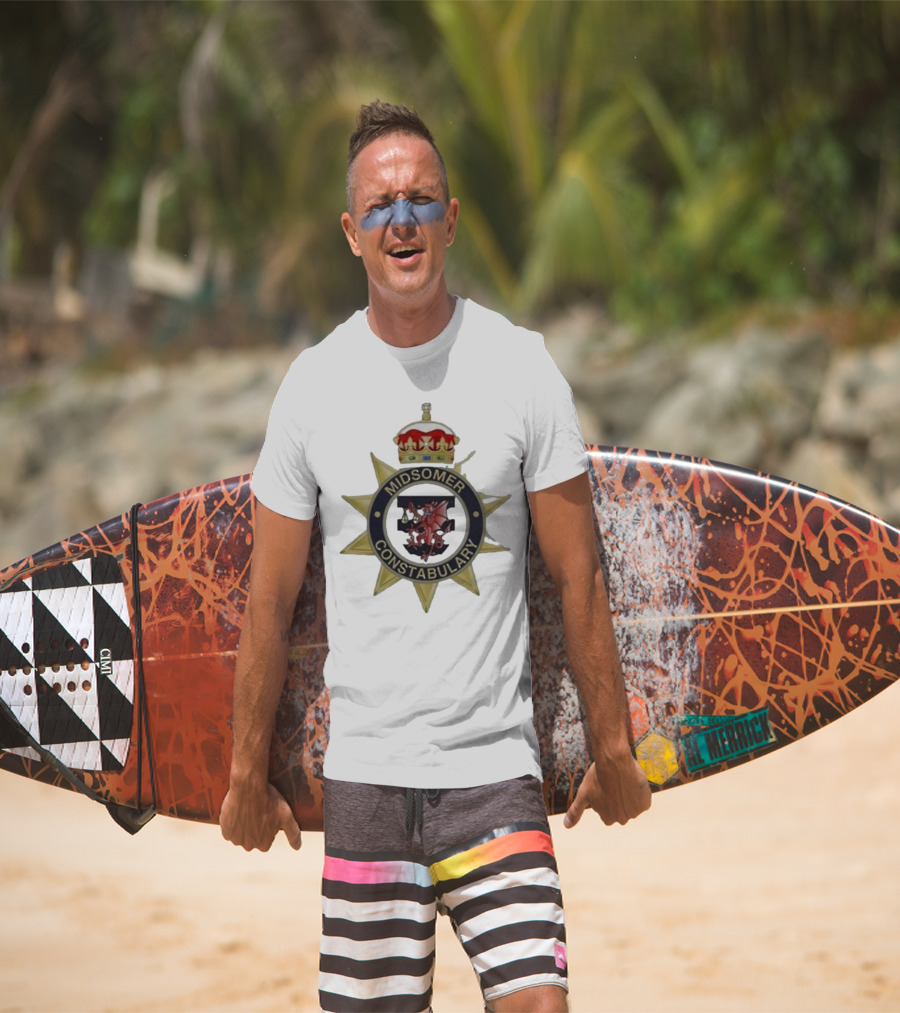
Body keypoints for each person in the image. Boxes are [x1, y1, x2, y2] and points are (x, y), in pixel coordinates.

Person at [220, 100, 651, 1013]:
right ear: (351, 232)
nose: (402, 220)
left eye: (421, 200)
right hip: (368, 779)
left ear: (451, 219)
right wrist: (242, 772)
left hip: (495, 773)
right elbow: (269, 600)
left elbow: (580, 575)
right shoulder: (313, 387)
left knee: (540, 1003)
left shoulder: (521, 368)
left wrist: (612, 746)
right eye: (380, 206)